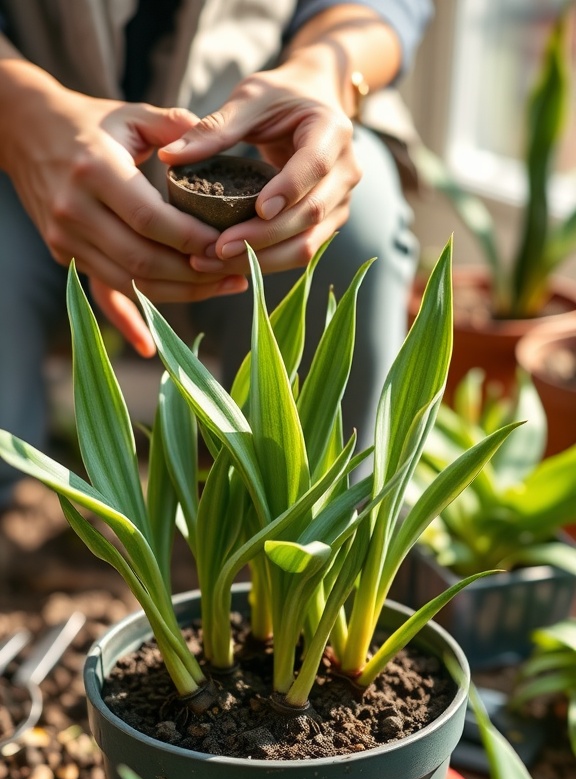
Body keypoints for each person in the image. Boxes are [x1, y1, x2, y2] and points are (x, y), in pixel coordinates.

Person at [0, 1, 433, 509]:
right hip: (21, 142)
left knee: (356, 231)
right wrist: (19, 111)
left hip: (262, 124)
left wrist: (324, 72)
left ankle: (320, 532)